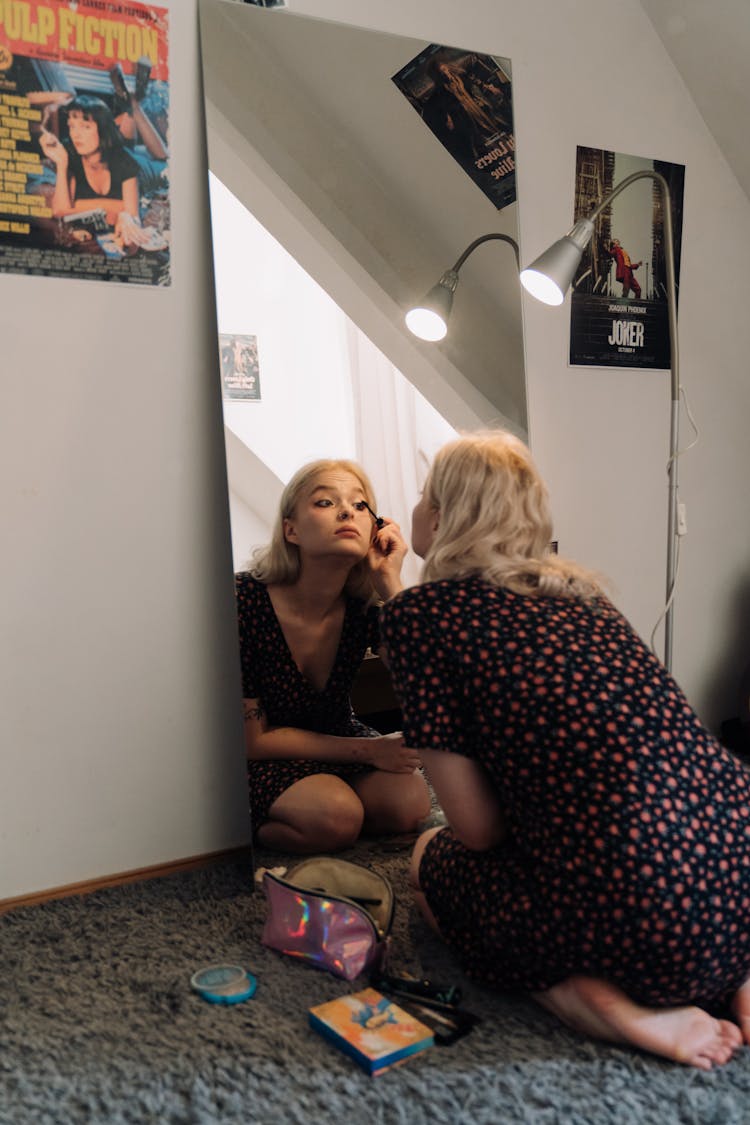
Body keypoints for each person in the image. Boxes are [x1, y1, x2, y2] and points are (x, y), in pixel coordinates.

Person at [380, 430, 750, 1071]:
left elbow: (478, 829)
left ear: (439, 515)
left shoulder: (418, 616)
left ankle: (597, 1000)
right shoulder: (586, 598)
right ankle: (735, 974)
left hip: (642, 915)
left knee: (425, 860)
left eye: (421, 495)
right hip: (738, 869)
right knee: (663, 847)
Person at [236, 458, 431, 853]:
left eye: (361, 506)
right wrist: (370, 751)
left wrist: (391, 580)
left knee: (410, 805)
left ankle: (328, 806)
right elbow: (253, 742)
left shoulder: (364, 604)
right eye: (325, 502)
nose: (347, 511)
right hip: (261, 755)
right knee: (335, 817)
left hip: (337, 736)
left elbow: (431, 672)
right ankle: (247, 830)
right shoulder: (244, 601)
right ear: (291, 530)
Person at [38, 94, 151, 249]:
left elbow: (133, 217)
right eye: (72, 126)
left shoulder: (125, 162)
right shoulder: (70, 155)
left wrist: (125, 215)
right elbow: (60, 210)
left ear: (103, 129)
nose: (76, 135)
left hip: (146, 169)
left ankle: (130, 101)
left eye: (86, 127)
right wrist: (62, 163)